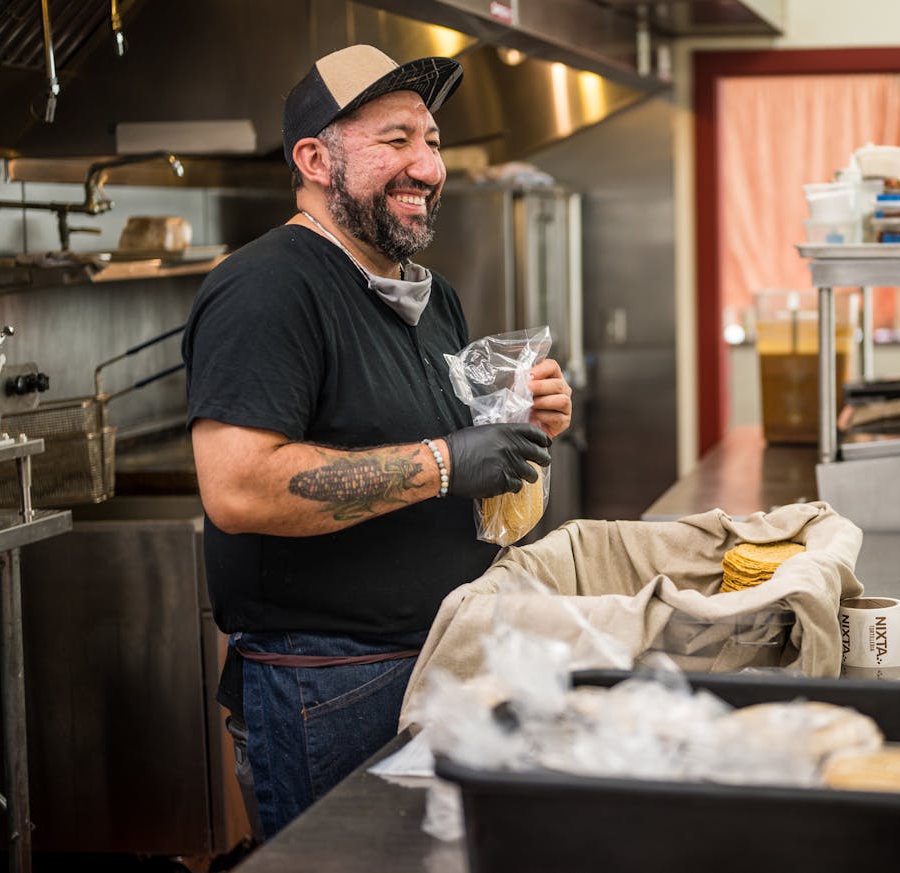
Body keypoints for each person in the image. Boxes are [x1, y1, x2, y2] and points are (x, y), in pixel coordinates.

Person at [181, 44, 573, 840]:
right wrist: (443, 463)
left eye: (431, 141)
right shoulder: (268, 287)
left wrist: (520, 420)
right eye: (396, 141)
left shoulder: (432, 301)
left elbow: (448, 447)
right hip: (326, 688)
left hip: (436, 663)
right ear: (315, 158)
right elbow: (239, 485)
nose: (428, 166)